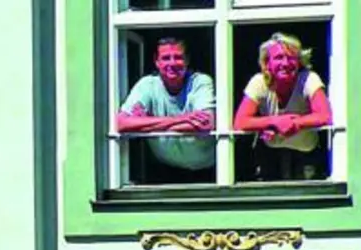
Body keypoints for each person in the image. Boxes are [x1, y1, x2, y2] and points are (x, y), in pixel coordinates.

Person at [114, 37, 216, 185]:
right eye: (166, 58)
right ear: (157, 61)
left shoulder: (200, 81)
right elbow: (121, 123)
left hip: (209, 172)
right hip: (164, 171)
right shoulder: (147, 85)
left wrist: (146, 124)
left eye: (178, 57)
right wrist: (181, 119)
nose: (172, 63)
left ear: (187, 60)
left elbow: (206, 123)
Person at [232, 32, 333, 181]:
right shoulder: (259, 82)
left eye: (291, 58)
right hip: (270, 152)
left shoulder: (309, 78)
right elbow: (240, 122)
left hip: (307, 153)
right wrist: (274, 122)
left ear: (299, 62)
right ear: (267, 63)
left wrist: (295, 123)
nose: (285, 64)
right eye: (279, 58)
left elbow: (325, 115)